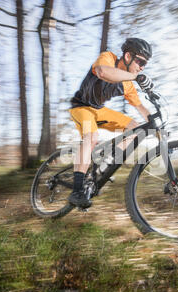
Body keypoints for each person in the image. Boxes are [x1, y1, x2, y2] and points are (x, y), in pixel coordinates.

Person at [68, 38, 154, 208]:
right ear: (128, 56)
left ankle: (107, 162)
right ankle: (76, 191)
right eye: (140, 61)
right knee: (91, 137)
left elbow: (140, 107)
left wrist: (155, 122)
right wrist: (135, 76)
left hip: (99, 110)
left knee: (137, 129)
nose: (142, 67)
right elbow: (102, 72)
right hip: (81, 107)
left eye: (145, 64)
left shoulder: (128, 84)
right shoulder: (108, 58)